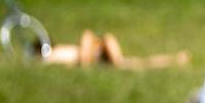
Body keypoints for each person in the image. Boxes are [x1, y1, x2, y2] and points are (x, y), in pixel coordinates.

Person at [43, 30, 190, 69]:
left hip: (98, 52)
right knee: (140, 63)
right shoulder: (54, 56)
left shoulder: (56, 53)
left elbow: (87, 36)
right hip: (100, 56)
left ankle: (176, 59)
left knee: (137, 63)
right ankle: (175, 59)